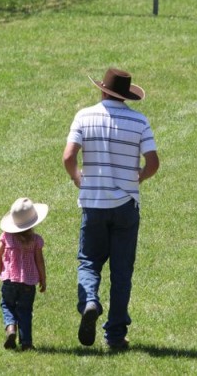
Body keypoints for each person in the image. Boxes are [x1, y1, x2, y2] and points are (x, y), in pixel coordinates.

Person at [63, 67, 159, 349]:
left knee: (89, 261)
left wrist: (77, 178)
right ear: (126, 95)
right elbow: (153, 163)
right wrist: (137, 177)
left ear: (102, 89)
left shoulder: (84, 116)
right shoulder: (139, 122)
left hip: (93, 203)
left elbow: (69, 156)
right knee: (121, 271)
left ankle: (90, 300)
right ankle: (116, 334)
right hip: (126, 205)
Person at [0, 197, 48, 351]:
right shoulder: (36, 240)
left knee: (7, 305)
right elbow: (40, 262)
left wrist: (2, 271)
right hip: (28, 283)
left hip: (9, 280)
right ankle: (27, 343)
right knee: (25, 310)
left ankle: (11, 328)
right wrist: (43, 279)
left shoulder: (6, 236)